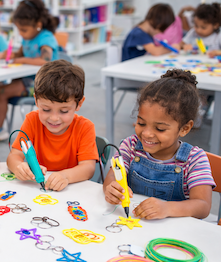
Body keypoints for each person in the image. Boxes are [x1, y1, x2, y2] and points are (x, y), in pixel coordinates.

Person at [103, 69, 216, 220]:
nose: (147, 134)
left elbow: (203, 206)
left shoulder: (194, 159)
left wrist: (167, 208)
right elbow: (112, 176)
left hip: (173, 235)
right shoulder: (130, 146)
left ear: (184, 128)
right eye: (141, 123)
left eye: (160, 128)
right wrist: (111, 188)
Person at [7, 59, 99, 191]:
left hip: (71, 192)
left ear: (79, 104)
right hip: (37, 190)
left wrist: (66, 176)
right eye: (46, 109)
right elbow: (13, 156)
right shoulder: (32, 120)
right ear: (36, 101)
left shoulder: (85, 127)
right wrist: (18, 167)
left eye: (64, 111)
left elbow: (88, 168)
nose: (54, 118)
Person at [0, 0, 59, 141]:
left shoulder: (46, 37)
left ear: (38, 25)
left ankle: (1, 130)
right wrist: (8, 55)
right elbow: (19, 54)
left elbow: (45, 60)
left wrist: (21, 60)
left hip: (43, 84)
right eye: (19, 30)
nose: (21, 34)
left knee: (1, 92)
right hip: (26, 79)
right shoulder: (28, 38)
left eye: (24, 30)